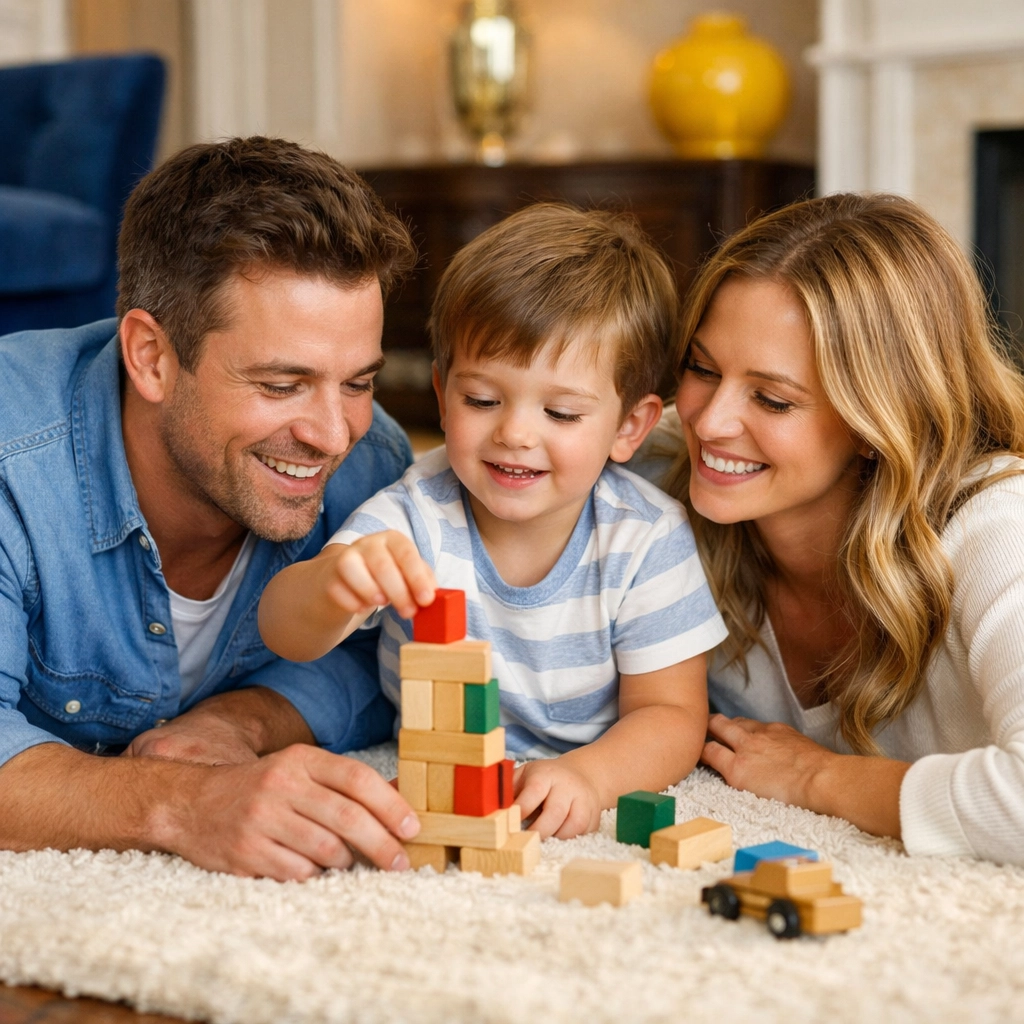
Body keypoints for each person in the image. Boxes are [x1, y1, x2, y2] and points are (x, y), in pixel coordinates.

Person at [0, 136, 428, 880]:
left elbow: (376, 654)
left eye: (358, 382)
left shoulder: (376, 460)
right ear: (152, 357)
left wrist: (243, 720)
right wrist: (184, 802)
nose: (333, 436)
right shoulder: (14, 463)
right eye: (281, 384)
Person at [258, 204, 728, 839]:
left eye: (561, 414)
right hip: (445, 767)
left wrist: (590, 777)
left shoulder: (645, 536)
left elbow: (671, 717)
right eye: (482, 400)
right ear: (443, 395)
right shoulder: (415, 514)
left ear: (629, 427)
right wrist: (333, 585)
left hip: (586, 758)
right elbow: (287, 631)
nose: (514, 433)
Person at [657, 191, 1024, 865]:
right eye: (702, 369)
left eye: (772, 398)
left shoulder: (997, 528)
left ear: (876, 419)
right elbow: (494, 447)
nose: (708, 423)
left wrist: (815, 776)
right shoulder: (661, 477)